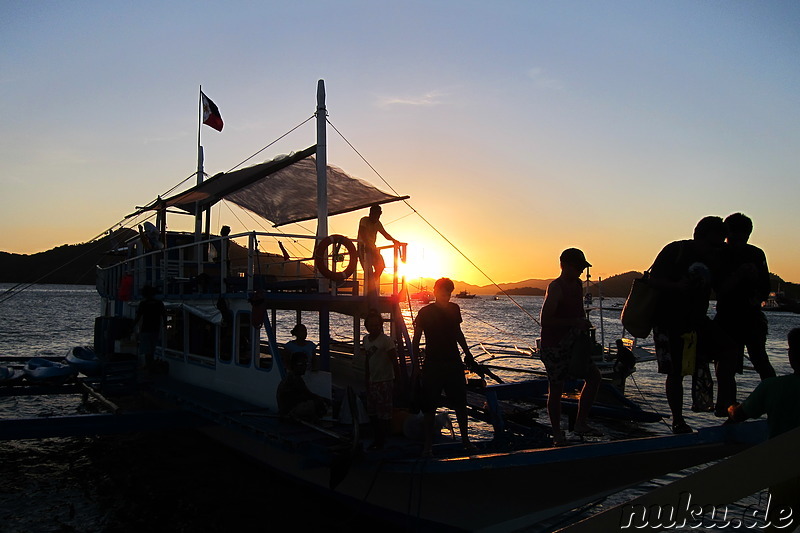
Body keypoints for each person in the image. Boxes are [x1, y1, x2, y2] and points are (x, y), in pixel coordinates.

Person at [648, 216, 726, 434]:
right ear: (699, 237)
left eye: (720, 244)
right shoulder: (676, 250)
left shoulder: (715, 257)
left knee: (724, 353)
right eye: (713, 244)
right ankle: (678, 420)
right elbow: (652, 280)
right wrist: (675, 286)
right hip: (668, 319)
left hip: (697, 319)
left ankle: (720, 407)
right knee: (675, 373)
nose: (716, 248)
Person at [727, 328, 800, 529]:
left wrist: (730, 407)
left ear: (792, 356)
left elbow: (739, 415)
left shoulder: (773, 387)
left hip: (783, 475)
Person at [713, 213, 775, 417]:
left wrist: (755, 297)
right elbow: (719, 289)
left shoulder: (756, 254)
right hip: (728, 316)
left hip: (749, 316)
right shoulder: (720, 253)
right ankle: (726, 406)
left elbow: (765, 287)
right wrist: (739, 276)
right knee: (726, 365)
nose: (738, 242)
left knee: (759, 360)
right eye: (734, 237)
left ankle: (773, 402)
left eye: (743, 237)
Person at [539, 248, 602, 446]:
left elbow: (578, 312)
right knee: (556, 389)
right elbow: (545, 320)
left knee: (594, 377)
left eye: (583, 267)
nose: (582, 271)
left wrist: (582, 324)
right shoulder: (555, 288)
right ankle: (558, 434)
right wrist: (573, 322)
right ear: (564, 266)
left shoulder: (578, 285)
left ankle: (580, 422)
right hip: (554, 346)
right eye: (579, 267)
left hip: (574, 343)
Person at [412, 277, 477, 456]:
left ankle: (466, 441)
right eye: (442, 292)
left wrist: (468, 354)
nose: (445, 296)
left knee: (460, 404)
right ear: (435, 291)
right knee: (429, 407)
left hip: (454, 362)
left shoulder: (454, 309)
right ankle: (427, 446)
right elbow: (416, 340)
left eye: (448, 293)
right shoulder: (424, 313)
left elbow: (458, 333)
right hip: (432, 363)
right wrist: (417, 365)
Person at [362, 310, 399, 450]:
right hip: (372, 380)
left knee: (384, 412)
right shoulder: (365, 340)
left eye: (377, 325)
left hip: (385, 380)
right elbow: (367, 360)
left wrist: (397, 381)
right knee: (372, 411)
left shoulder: (386, 340)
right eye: (371, 325)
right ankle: (377, 437)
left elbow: (394, 361)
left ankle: (382, 439)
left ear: (381, 325)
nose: (374, 327)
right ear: (366, 326)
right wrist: (366, 378)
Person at [357, 204, 399, 295]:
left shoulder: (378, 223)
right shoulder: (364, 220)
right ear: (370, 213)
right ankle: (369, 289)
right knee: (368, 270)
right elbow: (362, 232)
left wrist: (394, 240)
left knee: (381, 266)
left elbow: (385, 234)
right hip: (363, 248)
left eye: (377, 214)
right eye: (373, 214)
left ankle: (371, 284)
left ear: (380, 214)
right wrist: (367, 245)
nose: (375, 216)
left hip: (373, 248)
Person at [276, 352, 328, 422]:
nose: (304, 367)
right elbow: (308, 395)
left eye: (306, 364)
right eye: (301, 364)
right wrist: (323, 400)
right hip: (288, 412)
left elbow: (306, 394)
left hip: (289, 409)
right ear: (293, 365)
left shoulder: (295, 377)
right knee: (316, 403)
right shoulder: (294, 379)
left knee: (317, 402)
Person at [135, 285, 166, 370]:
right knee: (152, 349)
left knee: (146, 350)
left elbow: (138, 316)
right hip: (155, 328)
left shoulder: (143, 303)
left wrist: (132, 326)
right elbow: (164, 314)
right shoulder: (159, 303)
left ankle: (148, 366)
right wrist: (165, 324)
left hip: (145, 329)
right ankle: (150, 365)